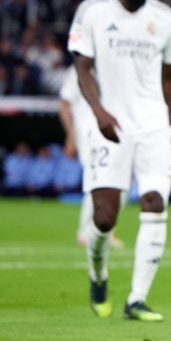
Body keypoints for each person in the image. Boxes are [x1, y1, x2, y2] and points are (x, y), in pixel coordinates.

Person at [67, 0, 171, 322]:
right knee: (104, 219)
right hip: (109, 124)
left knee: (155, 203)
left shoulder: (165, 18)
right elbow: (82, 68)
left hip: (152, 125)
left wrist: (169, 122)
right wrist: (98, 111)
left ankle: (137, 299)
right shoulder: (93, 12)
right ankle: (98, 274)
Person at [59, 63, 125, 247]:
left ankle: (106, 230)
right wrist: (71, 135)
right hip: (87, 132)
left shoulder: (115, 65)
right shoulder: (77, 70)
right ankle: (86, 232)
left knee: (121, 181)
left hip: (114, 130)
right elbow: (65, 104)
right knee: (97, 179)